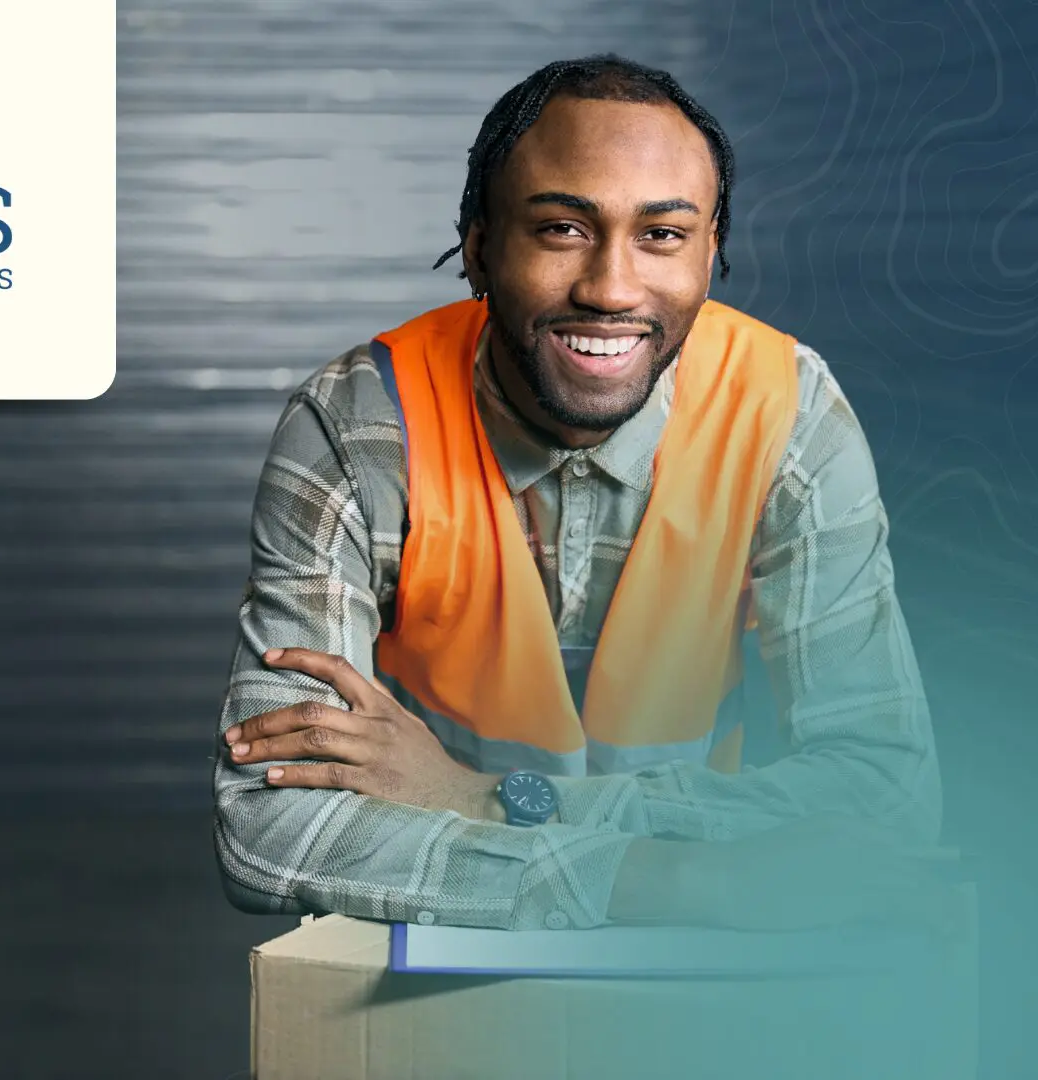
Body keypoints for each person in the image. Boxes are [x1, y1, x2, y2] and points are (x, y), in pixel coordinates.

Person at [212, 54, 955, 936]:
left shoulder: (788, 418)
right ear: (480, 247)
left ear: (713, 253)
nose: (610, 288)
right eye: (562, 229)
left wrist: (489, 800)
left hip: (656, 967)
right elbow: (266, 831)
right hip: (477, 943)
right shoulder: (362, 426)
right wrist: (664, 880)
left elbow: (885, 796)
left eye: (664, 236)